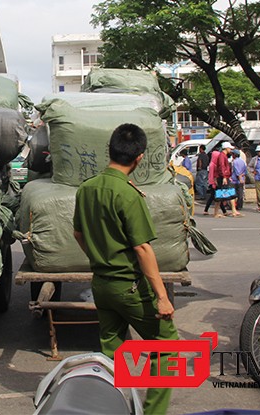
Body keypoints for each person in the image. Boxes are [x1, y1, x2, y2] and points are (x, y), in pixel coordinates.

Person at [73, 123, 178, 415]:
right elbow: (143, 248)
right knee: (167, 347)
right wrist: (162, 296)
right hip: (129, 287)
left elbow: (78, 235)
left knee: (112, 352)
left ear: (110, 150)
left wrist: (100, 257)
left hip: (102, 285)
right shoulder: (128, 194)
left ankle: (111, 406)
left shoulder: (87, 189)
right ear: (140, 158)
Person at [213, 142, 240, 218]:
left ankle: (233, 210)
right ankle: (216, 212)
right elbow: (222, 167)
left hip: (224, 177)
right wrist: (224, 177)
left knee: (230, 193)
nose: (230, 150)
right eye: (229, 148)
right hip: (222, 177)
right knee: (220, 195)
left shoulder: (223, 156)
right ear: (226, 148)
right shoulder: (222, 156)